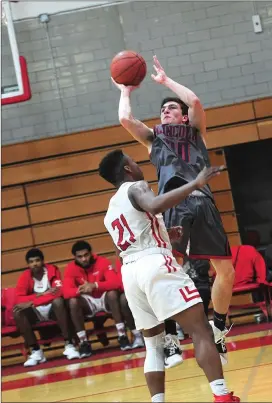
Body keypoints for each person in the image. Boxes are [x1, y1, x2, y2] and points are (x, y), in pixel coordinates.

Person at [112, 55, 235, 363]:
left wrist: (166, 82)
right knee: (167, 271)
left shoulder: (195, 133)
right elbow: (126, 120)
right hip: (174, 205)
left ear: (182, 117)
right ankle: (169, 335)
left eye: (171, 108)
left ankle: (218, 328)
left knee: (227, 271)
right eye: (163, 109)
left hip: (204, 202)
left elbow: (193, 100)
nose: (166, 111)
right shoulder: (154, 139)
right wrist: (125, 90)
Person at [98, 149, 239, 403]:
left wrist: (164, 236)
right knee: (200, 330)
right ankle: (221, 396)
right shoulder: (136, 186)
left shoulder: (110, 209)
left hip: (130, 271)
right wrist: (196, 183)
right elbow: (153, 205)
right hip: (154, 264)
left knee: (152, 345)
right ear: (128, 169)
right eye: (134, 161)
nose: (137, 164)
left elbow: (128, 243)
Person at [63, 240, 142, 356]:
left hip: (105, 298)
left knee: (113, 294)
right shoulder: (70, 268)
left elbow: (116, 283)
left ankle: (122, 335)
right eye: (80, 257)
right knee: (73, 302)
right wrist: (79, 290)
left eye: (86, 255)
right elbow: (66, 292)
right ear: (74, 257)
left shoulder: (102, 262)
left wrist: (95, 285)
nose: (84, 259)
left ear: (91, 253)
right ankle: (83, 342)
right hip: (87, 301)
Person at [13, 248, 79, 367]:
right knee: (17, 312)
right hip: (36, 312)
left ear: (42, 261)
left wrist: (32, 302)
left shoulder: (52, 270)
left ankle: (69, 344)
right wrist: (41, 294)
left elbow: (58, 292)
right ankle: (35, 351)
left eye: (37, 260)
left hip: (52, 310)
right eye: (31, 262)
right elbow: (18, 299)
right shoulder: (25, 276)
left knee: (58, 302)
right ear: (28, 264)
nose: (35, 264)